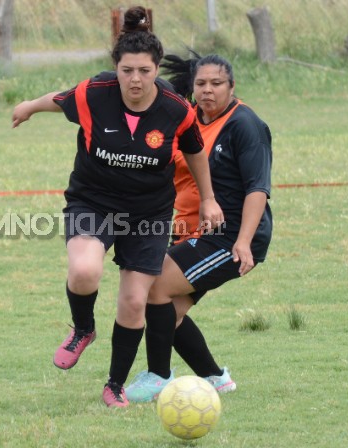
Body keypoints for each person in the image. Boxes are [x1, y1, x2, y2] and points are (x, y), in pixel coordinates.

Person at [11, 7, 223, 408]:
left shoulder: (177, 109)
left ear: (156, 69)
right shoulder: (94, 94)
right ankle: (83, 329)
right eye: (127, 70)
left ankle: (114, 385)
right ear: (116, 68)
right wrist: (28, 106)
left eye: (144, 71)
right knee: (84, 270)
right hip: (93, 200)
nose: (135, 79)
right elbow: (55, 100)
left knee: (132, 301)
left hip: (149, 212)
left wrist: (209, 198)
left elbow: (195, 151)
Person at [125, 52, 273, 402]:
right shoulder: (191, 121)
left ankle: (158, 377)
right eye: (201, 84)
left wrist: (244, 242)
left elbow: (258, 190)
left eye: (217, 84)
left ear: (232, 86)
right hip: (195, 231)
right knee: (168, 316)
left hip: (229, 236)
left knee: (155, 285)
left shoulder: (245, 125)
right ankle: (216, 378)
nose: (208, 90)